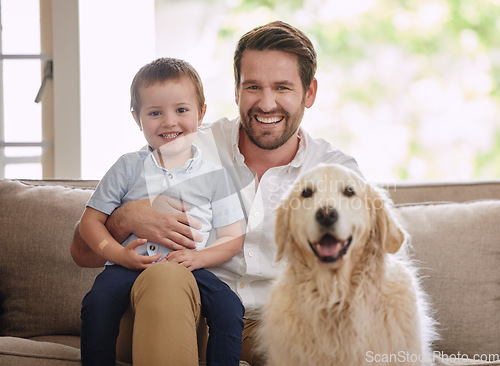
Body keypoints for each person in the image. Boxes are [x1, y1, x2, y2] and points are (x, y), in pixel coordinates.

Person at [71, 21, 362, 366]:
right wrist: (124, 218)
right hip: (181, 313)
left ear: (309, 93)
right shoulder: (183, 143)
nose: (266, 103)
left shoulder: (336, 174)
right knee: (167, 274)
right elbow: (83, 253)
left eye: (282, 87)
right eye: (253, 86)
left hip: (281, 325)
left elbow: (367, 272)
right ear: (237, 91)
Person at [78, 57, 245, 366]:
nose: (169, 122)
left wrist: (197, 258)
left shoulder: (216, 176)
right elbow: (90, 223)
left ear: (201, 113)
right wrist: (118, 254)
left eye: (181, 110)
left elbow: (232, 238)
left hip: (190, 270)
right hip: (127, 266)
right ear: (137, 118)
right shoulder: (127, 167)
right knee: (97, 303)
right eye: (155, 113)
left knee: (229, 306)